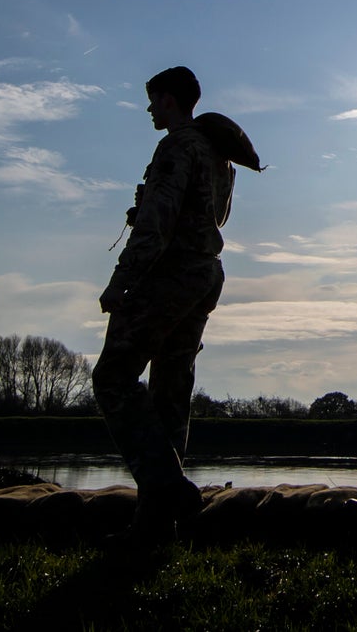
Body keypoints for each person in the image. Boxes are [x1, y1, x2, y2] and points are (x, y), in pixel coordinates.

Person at [94, 66, 232, 547]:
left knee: (112, 378)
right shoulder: (218, 154)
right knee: (170, 395)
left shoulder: (177, 146)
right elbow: (215, 216)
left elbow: (156, 224)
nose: (150, 109)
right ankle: (155, 529)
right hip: (205, 276)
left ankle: (169, 490)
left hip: (170, 277)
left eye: (153, 100)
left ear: (170, 101)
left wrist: (120, 283)